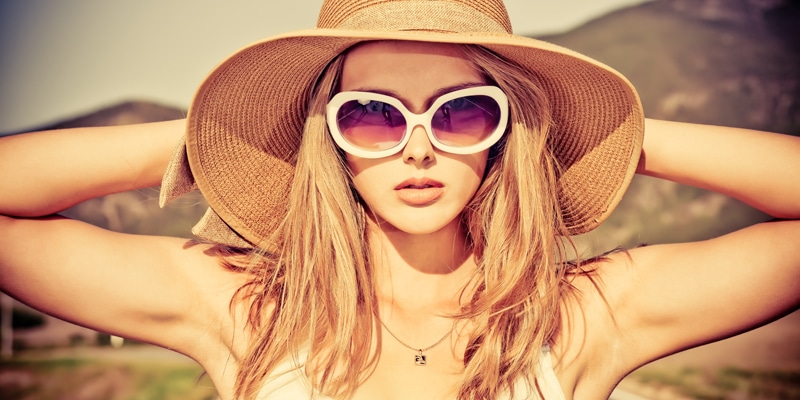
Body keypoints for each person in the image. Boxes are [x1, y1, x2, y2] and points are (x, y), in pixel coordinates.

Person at [1, 0, 798, 399]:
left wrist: (607, 138)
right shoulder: (248, 310)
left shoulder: (578, 316)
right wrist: (207, 139)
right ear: (333, 146)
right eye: (374, 115)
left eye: (462, 111)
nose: (418, 146)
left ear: (502, 135)